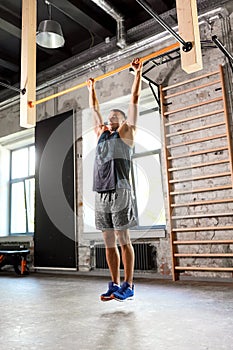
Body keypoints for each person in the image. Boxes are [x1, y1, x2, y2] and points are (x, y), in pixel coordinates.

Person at [87, 58, 143, 301]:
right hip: (101, 192)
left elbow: (134, 101)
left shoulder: (126, 133)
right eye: (108, 118)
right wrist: (91, 90)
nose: (109, 120)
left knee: (123, 238)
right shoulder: (102, 134)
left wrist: (137, 76)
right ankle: (114, 283)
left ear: (121, 121)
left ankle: (129, 285)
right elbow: (94, 111)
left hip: (121, 191)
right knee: (108, 239)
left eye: (114, 117)